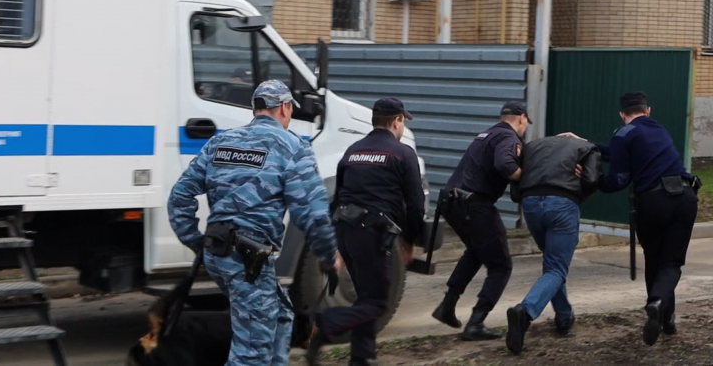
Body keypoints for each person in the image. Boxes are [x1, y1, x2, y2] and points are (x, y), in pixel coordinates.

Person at [167, 79, 343, 365]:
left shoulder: (220, 142)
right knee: (251, 352)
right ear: (285, 108)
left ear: (255, 109)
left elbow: (179, 196)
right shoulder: (293, 147)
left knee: (281, 315)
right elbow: (312, 213)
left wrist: (196, 241)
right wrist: (328, 255)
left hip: (219, 252)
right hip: (247, 259)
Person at [560, 92, 701, 346]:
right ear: (648, 111)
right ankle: (665, 317)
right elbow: (618, 153)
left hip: (653, 202)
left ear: (622, 114)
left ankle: (656, 306)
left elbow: (619, 179)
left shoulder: (623, 134)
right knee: (671, 263)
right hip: (685, 197)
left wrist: (592, 180)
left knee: (654, 260)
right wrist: (587, 143)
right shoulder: (659, 130)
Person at [306, 98, 426, 366]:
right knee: (377, 304)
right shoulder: (403, 153)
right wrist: (411, 240)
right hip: (372, 234)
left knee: (366, 297)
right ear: (397, 121)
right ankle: (325, 324)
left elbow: (338, 197)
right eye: (403, 121)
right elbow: (415, 204)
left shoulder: (353, 150)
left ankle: (361, 357)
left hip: (345, 230)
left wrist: (335, 244)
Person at [430, 101, 529, 341]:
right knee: (501, 266)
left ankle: (447, 306)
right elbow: (505, 165)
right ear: (522, 119)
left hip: (451, 202)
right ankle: (476, 322)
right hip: (474, 205)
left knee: (476, 251)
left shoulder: (486, 134)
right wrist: (527, 176)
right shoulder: (509, 138)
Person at [504, 136, 603, 354]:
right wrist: (577, 195)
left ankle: (564, 318)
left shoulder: (531, 146)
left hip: (531, 204)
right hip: (562, 204)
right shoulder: (587, 147)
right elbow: (591, 179)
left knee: (552, 266)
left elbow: (515, 187)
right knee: (556, 268)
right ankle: (525, 312)